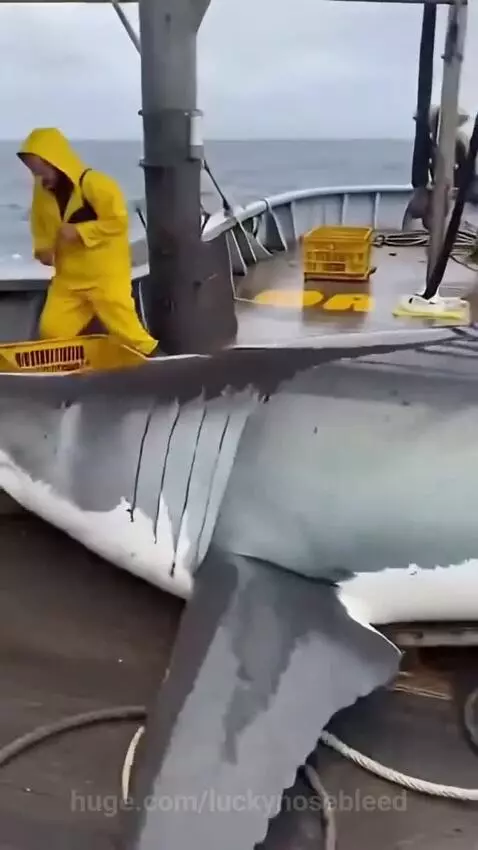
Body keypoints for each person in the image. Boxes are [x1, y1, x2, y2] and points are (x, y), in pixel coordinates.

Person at [17, 127, 160, 356]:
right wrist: (43, 248)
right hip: (69, 279)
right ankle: (67, 375)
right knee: (52, 331)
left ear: (55, 160)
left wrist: (81, 232)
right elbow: (39, 222)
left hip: (105, 276)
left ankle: (159, 362)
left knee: (129, 333)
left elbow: (118, 222)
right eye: (33, 170)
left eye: (40, 168)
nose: (38, 176)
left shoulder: (96, 184)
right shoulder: (42, 191)